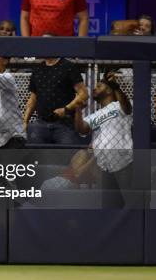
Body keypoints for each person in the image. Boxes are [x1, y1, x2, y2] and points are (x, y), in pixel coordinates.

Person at [74, 73, 133, 207]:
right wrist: (77, 110)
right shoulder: (97, 114)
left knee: (132, 205)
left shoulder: (120, 105)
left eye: (99, 86)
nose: (94, 89)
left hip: (125, 162)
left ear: (109, 89)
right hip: (105, 166)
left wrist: (115, 86)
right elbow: (82, 128)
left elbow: (127, 109)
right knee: (109, 207)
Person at [23, 58, 88, 144]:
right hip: (41, 122)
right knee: (36, 155)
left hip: (65, 122)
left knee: (67, 156)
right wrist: (25, 121)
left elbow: (83, 94)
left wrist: (66, 109)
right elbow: (33, 98)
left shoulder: (68, 66)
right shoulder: (38, 69)